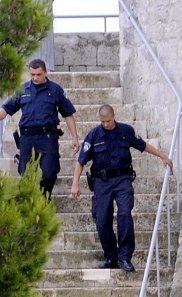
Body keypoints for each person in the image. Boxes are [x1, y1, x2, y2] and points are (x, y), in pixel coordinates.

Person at [71, 104, 173, 271]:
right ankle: (111, 257)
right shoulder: (94, 135)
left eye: (108, 121)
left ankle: (125, 256)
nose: (105, 124)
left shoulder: (126, 131)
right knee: (102, 220)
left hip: (122, 179)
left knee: (125, 213)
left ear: (114, 116)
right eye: (102, 121)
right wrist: (75, 183)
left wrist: (162, 156)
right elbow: (81, 161)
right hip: (102, 182)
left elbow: (143, 145)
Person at [0, 59, 78, 197]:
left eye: (38, 74)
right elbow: (6, 108)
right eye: (32, 74)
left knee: (50, 172)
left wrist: (74, 137)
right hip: (27, 138)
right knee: (25, 173)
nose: (35, 77)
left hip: (47, 137)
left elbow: (68, 114)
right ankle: (32, 202)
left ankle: (43, 199)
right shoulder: (23, 90)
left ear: (45, 72)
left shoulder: (55, 90)